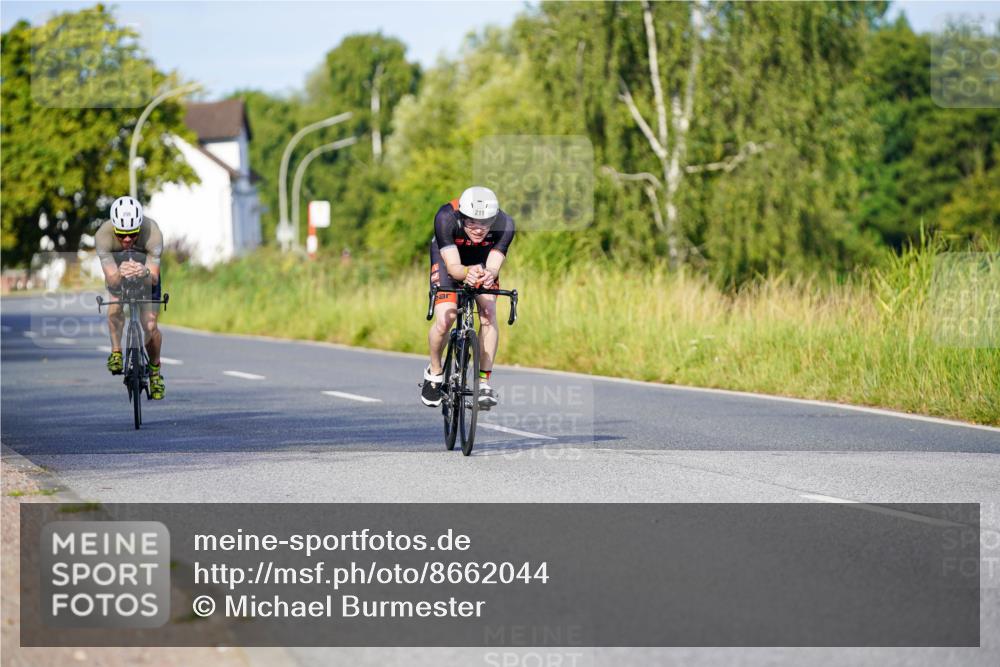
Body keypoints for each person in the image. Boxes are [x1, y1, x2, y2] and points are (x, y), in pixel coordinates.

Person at [422, 186, 515, 409]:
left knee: (488, 312)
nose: (478, 229)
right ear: (462, 216)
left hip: (482, 262)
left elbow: (493, 266)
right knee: (446, 317)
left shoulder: (506, 224)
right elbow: (454, 268)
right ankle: (434, 371)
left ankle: (483, 382)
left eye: (485, 223)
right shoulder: (446, 217)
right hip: (449, 260)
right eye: (472, 222)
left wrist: (488, 275)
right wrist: (466, 273)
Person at [95, 196, 166, 400]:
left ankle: (155, 372)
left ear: (139, 228)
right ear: (114, 228)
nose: (127, 240)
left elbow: (153, 279)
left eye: (132, 234)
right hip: (119, 272)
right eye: (121, 235)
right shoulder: (103, 236)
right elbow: (112, 281)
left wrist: (143, 272)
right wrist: (120, 273)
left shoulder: (153, 233)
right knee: (114, 308)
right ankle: (116, 351)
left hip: (145, 274)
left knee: (150, 325)